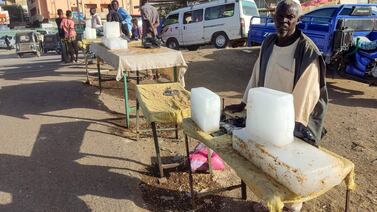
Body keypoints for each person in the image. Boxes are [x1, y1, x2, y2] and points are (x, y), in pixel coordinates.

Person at [226, 0, 328, 208]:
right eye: (280, 16)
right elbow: (257, 75)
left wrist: (291, 125)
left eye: (289, 17)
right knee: (266, 163)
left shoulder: (306, 51)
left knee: (288, 168)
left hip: (290, 123)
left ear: (297, 20)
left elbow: (308, 94)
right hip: (265, 118)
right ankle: (270, 202)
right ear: (273, 17)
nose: (284, 21)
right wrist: (245, 102)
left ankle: (292, 207)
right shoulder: (269, 42)